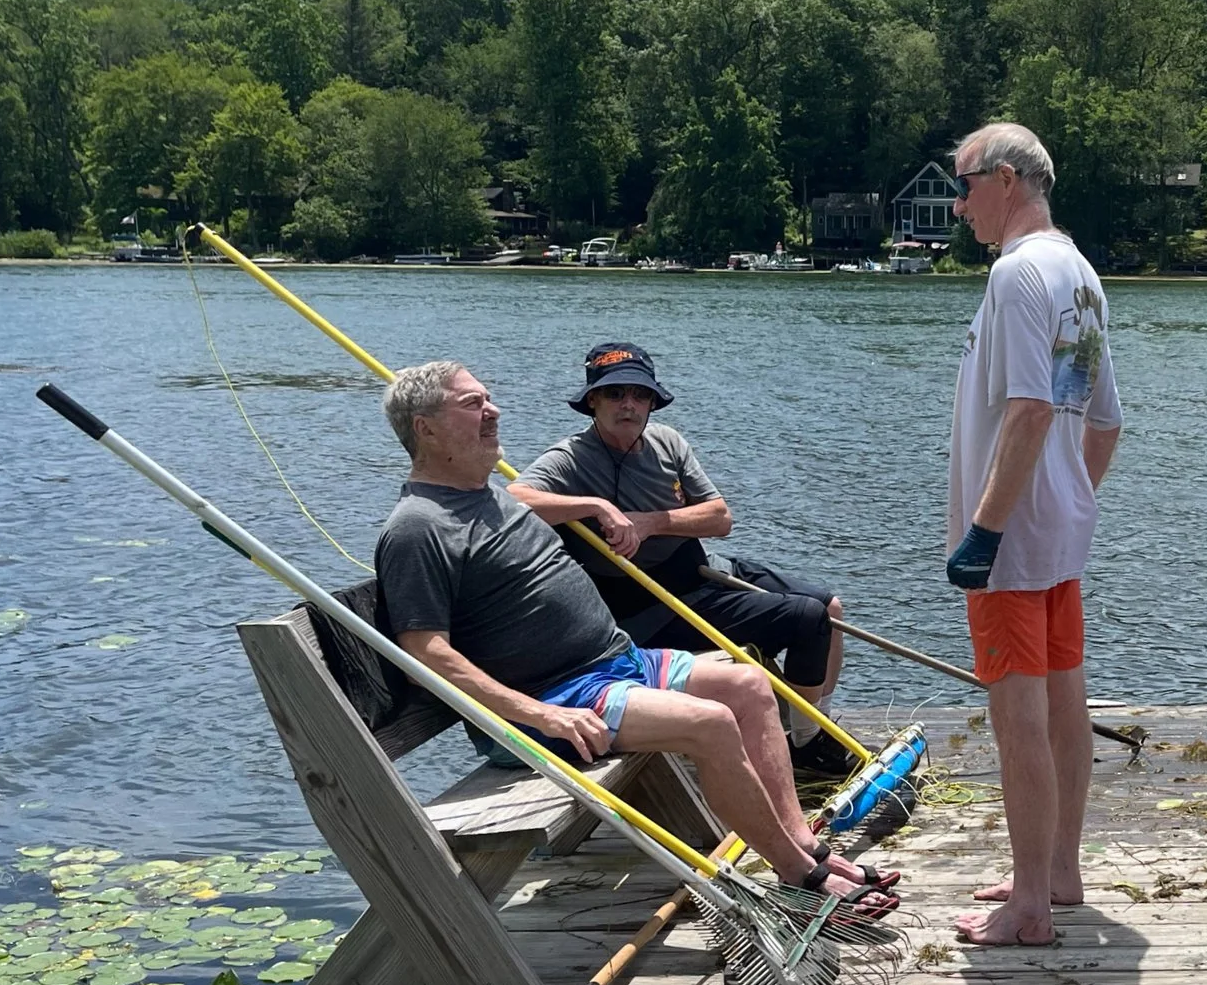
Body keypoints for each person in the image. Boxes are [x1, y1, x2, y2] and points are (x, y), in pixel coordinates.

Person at [373, 360, 896, 912]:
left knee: (748, 686)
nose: (493, 411)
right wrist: (538, 715)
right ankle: (799, 876)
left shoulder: (492, 495)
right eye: (472, 403)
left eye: (488, 399)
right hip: (559, 699)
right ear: (425, 428)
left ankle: (803, 844)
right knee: (711, 724)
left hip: (616, 662)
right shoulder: (418, 526)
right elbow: (423, 650)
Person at [942, 124, 1123, 948]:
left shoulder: (1018, 275)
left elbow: (1028, 408)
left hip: (1012, 541)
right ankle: (1054, 870)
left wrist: (985, 530)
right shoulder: (1079, 273)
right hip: (1058, 531)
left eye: (965, 184)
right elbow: (1104, 422)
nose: (959, 202)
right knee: (1062, 703)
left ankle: (1029, 911)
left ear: (1006, 180)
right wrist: (1069, 496)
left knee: (1018, 716)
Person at [504, 342, 850, 764]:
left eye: (640, 394)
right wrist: (596, 506)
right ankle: (807, 747)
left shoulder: (667, 442)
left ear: (652, 401)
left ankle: (814, 728)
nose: (628, 404)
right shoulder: (571, 458)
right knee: (805, 619)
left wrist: (652, 521)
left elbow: (720, 518)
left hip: (701, 572)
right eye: (615, 394)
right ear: (592, 401)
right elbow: (515, 500)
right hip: (650, 605)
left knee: (829, 607)